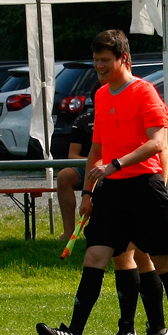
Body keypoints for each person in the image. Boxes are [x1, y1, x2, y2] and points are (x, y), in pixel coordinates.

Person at [36, 29, 168, 335]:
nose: (99, 66)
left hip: (144, 188)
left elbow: (157, 143)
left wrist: (115, 165)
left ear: (124, 59)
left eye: (105, 60)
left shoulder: (145, 92)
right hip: (112, 190)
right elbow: (96, 149)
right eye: (96, 61)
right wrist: (88, 194)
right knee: (95, 256)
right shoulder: (102, 94)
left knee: (163, 261)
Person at [57, 83, 98, 241]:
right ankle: (69, 231)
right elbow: (72, 155)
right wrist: (93, 163)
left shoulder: (123, 116)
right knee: (64, 176)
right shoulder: (83, 120)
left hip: (114, 166)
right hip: (87, 167)